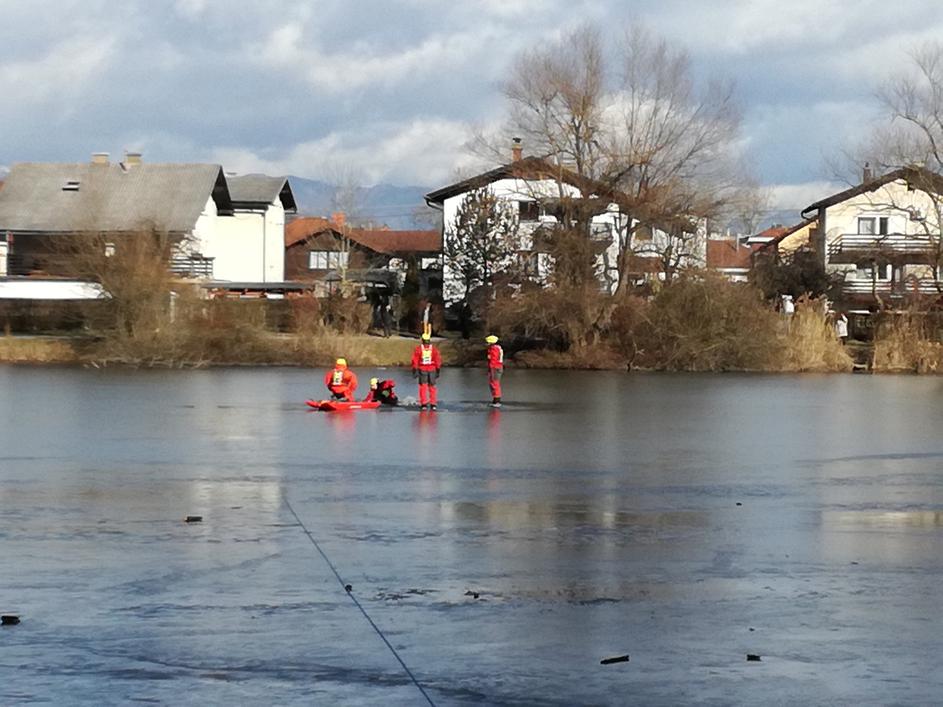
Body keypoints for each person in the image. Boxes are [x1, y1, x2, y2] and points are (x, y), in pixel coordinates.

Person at [411, 332, 441, 411]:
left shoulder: (419, 349)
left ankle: (424, 404)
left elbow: (415, 360)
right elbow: (437, 359)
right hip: (432, 369)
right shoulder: (433, 349)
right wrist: (438, 369)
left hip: (422, 369)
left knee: (423, 387)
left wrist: (415, 369)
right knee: (432, 387)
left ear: (422, 340)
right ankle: (433, 404)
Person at [485, 334, 504, 407]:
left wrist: (490, 369)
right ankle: (495, 400)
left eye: (487, 342)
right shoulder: (497, 348)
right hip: (496, 367)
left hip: (495, 368)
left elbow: (493, 360)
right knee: (494, 383)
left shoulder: (494, 349)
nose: (486, 344)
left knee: (494, 383)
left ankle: (496, 401)